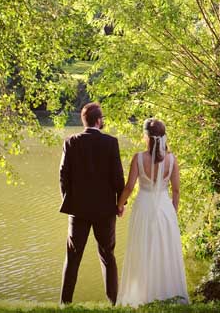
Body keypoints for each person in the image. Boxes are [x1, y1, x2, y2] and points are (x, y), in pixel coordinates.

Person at [116, 118, 189, 306]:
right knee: (164, 250)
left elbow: (129, 187)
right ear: (164, 136)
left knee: (141, 248)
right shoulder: (172, 159)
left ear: (146, 136)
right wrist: (173, 212)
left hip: (143, 207)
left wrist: (119, 205)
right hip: (165, 209)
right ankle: (167, 295)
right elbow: (176, 191)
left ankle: (141, 296)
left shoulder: (138, 158)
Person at [59, 102, 125, 305]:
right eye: (102, 118)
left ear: (84, 121)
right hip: (105, 210)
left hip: (77, 209)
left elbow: (63, 176)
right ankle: (113, 303)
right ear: (98, 121)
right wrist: (120, 203)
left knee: (73, 257)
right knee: (107, 256)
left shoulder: (71, 142)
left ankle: (65, 303)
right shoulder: (111, 142)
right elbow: (118, 177)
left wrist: (68, 200)